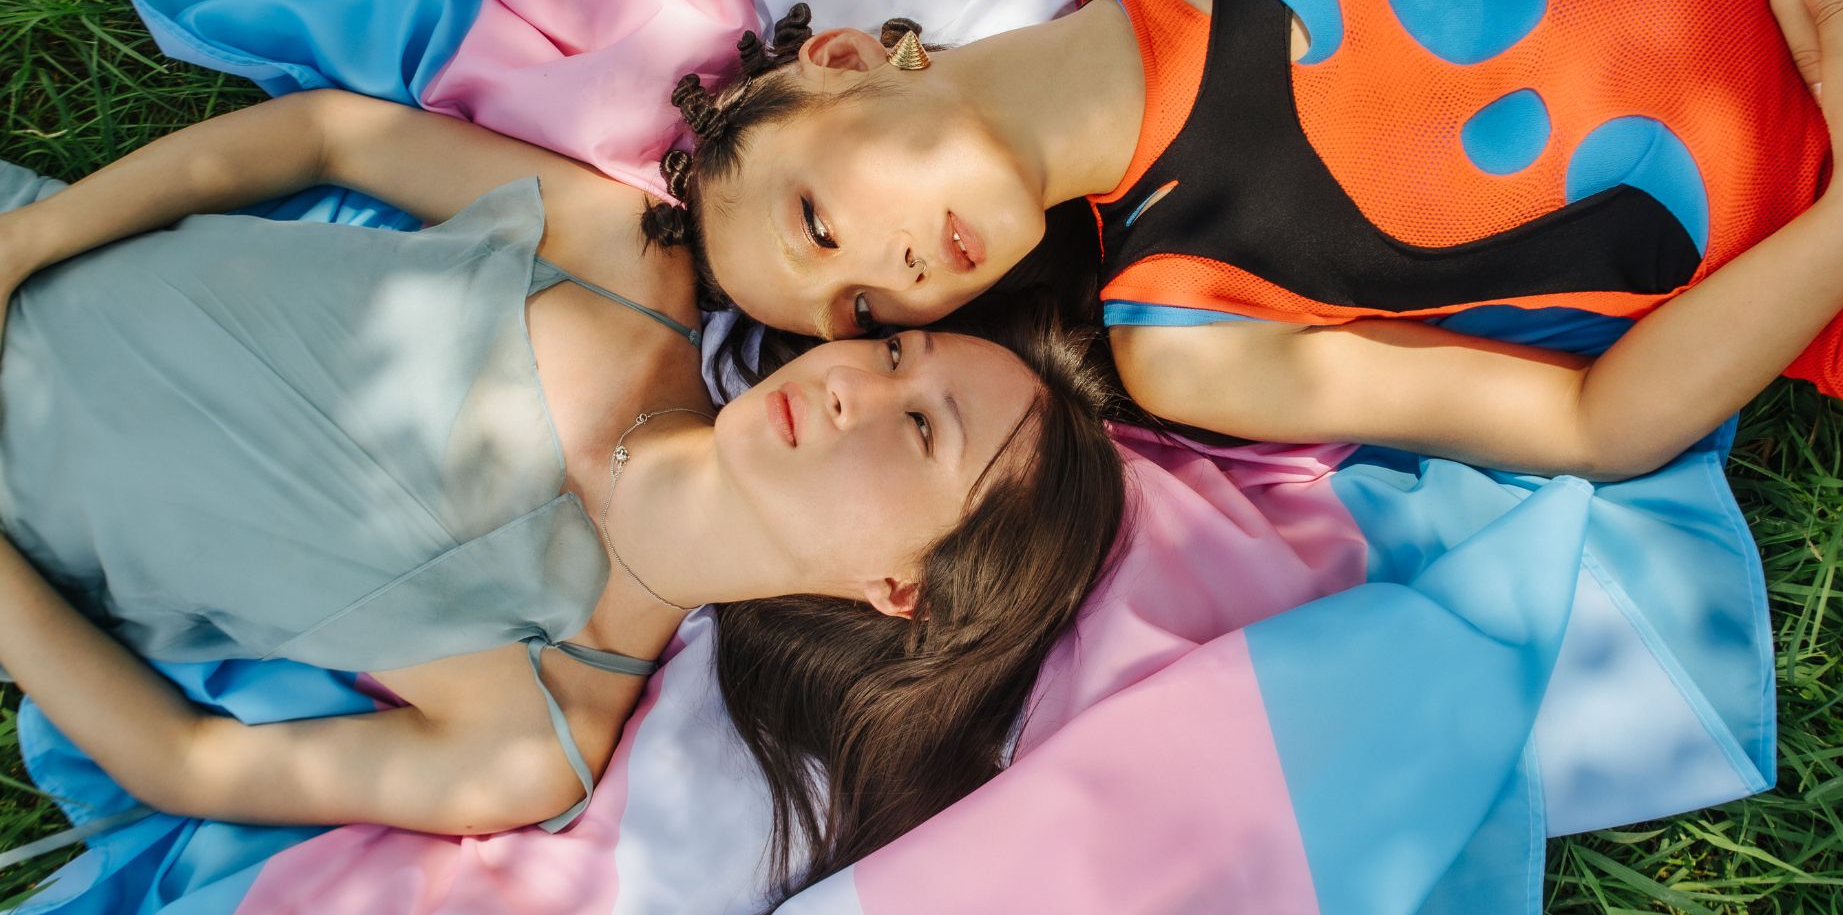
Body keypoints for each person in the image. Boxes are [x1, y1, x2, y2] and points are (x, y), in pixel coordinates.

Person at [0, 90, 1126, 899]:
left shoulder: (538, 730)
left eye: (921, 428)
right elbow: (329, 135)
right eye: (891, 355)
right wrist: (27, 244)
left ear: (902, 588)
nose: (848, 386)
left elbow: (180, 760)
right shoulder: (633, 272)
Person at [651, 0, 1843, 478]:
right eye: (861, 312)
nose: (895, 273)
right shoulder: (1188, 343)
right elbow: (1595, 423)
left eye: (822, 224)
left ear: (842, 65)